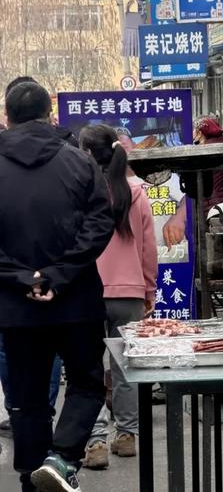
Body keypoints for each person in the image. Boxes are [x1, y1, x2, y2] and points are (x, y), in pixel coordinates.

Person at [0, 81, 114, 492]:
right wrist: (60, 274)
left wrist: (23, 278)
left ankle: (34, 477)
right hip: (76, 301)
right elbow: (100, 222)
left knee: (27, 398)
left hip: (16, 306)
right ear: (50, 115)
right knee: (86, 383)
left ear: (7, 118)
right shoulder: (79, 162)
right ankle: (62, 457)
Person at [79, 125, 158, 470]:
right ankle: (126, 436)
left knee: (90, 371)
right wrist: (148, 289)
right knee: (125, 369)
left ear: (86, 153)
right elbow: (148, 248)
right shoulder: (137, 192)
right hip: (129, 294)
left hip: (88, 294)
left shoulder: (81, 191)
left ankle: (95, 441)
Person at [162, 117, 223, 247]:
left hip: (210, 204)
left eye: (194, 130)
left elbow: (196, 185)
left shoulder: (203, 152)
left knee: (210, 243)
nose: (192, 134)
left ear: (200, 132)